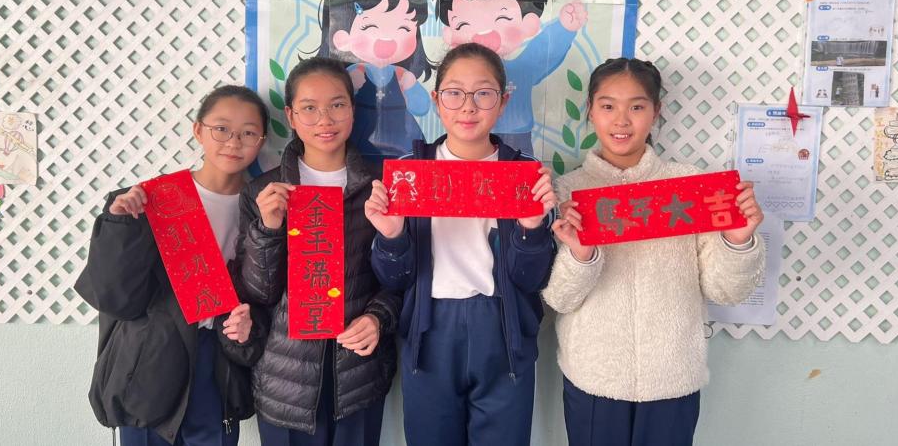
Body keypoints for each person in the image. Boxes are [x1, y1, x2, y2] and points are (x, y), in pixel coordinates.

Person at [543, 57, 766, 446]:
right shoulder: (567, 193)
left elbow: (726, 291)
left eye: (637, 106)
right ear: (590, 110)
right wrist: (582, 255)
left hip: (672, 378)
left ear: (656, 111)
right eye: (608, 106)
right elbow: (559, 299)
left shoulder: (692, 187)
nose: (621, 120)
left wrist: (737, 239)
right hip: (595, 377)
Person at [365, 42, 557, 446]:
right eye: (454, 93)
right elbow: (394, 279)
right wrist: (391, 236)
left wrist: (531, 229)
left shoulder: (524, 174)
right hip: (429, 328)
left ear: (503, 102)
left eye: (483, 93)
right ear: (437, 100)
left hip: (502, 328)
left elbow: (532, 278)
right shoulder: (409, 174)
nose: (468, 107)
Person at [75, 85, 270, 445]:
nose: (233, 142)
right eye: (221, 129)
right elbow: (114, 297)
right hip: (149, 364)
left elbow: (264, 293)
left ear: (262, 141)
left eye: (248, 133)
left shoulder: (263, 207)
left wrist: (249, 325)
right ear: (198, 130)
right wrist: (120, 225)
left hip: (219, 363)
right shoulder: (150, 199)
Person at [235, 57, 400, 446]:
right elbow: (258, 293)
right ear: (291, 116)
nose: (325, 119)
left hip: (358, 371)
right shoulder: (263, 192)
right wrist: (269, 228)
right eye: (309, 108)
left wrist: (378, 318)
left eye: (337, 104)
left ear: (353, 110)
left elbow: (402, 277)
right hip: (285, 381)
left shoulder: (381, 188)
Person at [434, 0, 588, 154]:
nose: (484, 33)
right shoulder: (452, 75)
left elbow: (540, 52)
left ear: (529, 22)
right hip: (464, 140)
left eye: (503, 18)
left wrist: (563, 28)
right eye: (464, 24)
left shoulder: (522, 68)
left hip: (516, 136)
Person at [312, 0, 434, 161]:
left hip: (402, 135)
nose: (387, 40)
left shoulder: (401, 75)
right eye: (369, 27)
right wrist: (351, 85)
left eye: (403, 29)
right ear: (341, 36)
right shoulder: (354, 73)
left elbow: (421, 107)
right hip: (359, 134)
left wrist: (411, 87)